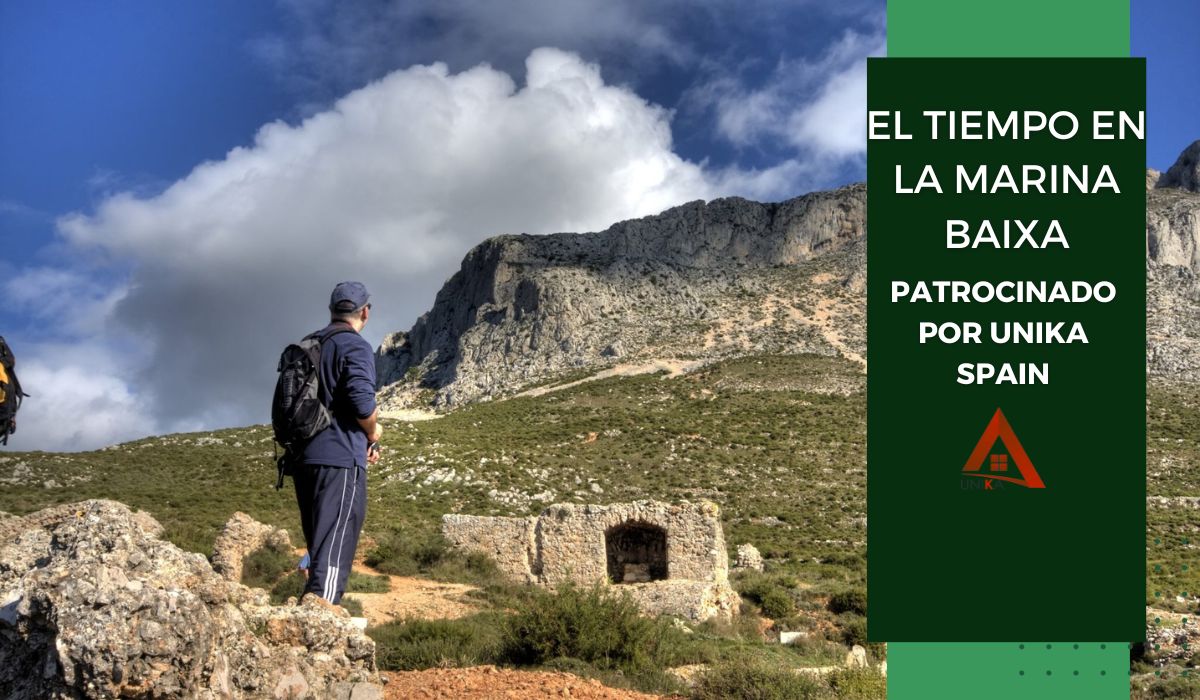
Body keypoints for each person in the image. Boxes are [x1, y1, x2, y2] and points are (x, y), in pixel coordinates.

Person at [294, 281, 382, 605]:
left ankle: (308, 614)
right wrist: (373, 432)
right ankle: (321, 622)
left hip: (303, 459)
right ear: (365, 313)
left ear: (332, 310)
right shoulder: (354, 346)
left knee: (318, 546)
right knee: (334, 545)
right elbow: (361, 404)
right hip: (340, 458)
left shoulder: (309, 343)